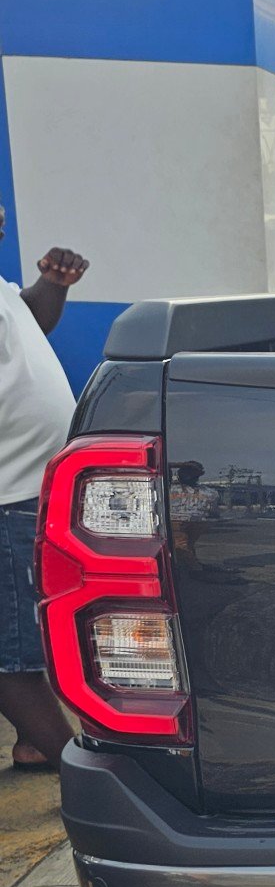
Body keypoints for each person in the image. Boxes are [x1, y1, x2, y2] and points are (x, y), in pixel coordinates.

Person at [0, 194, 89, 771]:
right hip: (7, 495)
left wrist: (52, 287)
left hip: (36, 488)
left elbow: (30, 315)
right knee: (14, 650)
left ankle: (34, 741)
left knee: (38, 625)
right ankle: (67, 756)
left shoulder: (3, 289)